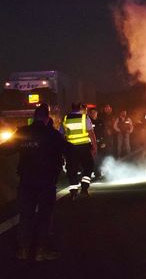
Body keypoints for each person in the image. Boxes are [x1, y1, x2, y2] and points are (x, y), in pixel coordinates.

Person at [0, 105, 70, 261]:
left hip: (27, 181)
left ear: (34, 116)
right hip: (46, 182)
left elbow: (5, 150)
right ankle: (40, 250)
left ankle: (23, 250)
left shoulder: (22, 132)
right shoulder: (52, 134)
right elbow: (68, 150)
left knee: (26, 215)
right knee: (44, 216)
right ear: (47, 118)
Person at [61, 103, 97, 200]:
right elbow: (91, 133)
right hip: (83, 147)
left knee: (72, 169)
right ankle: (84, 188)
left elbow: (62, 134)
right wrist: (94, 146)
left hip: (70, 148)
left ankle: (73, 192)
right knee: (89, 166)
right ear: (81, 108)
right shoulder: (84, 118)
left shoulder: (65, 118)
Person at [89, 108, 107, 180]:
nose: (94, 114)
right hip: (92, 142)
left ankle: (99, 171)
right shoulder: (88, 121)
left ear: (97, 113)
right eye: (92, 113)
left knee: (101, 157)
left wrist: (104, 142)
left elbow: (104, 132)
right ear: (90, 114)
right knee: (93, 158)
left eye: (95, 112)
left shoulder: (100, 121)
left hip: (100, 142)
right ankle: (96, 172)